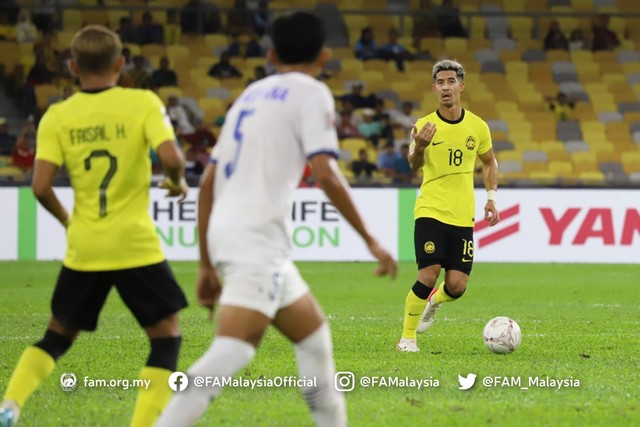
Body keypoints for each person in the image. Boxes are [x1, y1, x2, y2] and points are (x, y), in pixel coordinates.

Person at [156, 12, 397, 427]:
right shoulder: (313, 93)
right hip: (256, 240)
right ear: (324, 57)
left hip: (243, 238)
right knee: (233, 350)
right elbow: (325, 172)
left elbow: (209, 183)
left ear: (270, 55)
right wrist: (370, 239)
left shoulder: (250, 95)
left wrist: (206, 261)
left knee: (315, 341)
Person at [0, 25, 189, 427]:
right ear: (121, 64)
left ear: (72, 67)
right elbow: (173, 158)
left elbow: (40, 186)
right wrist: (176, 182)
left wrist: (69, 221)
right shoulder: (142, 102)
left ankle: (10, 406)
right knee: (166, 336)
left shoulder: (58, 115)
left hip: (85, 246)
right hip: (135, 245)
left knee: (56, 336)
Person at [396, 59, 500, 352]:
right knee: (428, 274)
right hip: (430, 211)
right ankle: (407, 339)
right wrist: (422, 146)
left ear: (461, 86)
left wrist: (491, 197)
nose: (445, 88)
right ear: (433, 88)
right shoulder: (423, 126)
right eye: (440, 83)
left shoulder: (477, 126)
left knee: (456, 286)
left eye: (450, 82)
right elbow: (413, 164)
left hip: (462, 216)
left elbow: (489, 161)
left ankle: (435, 301)